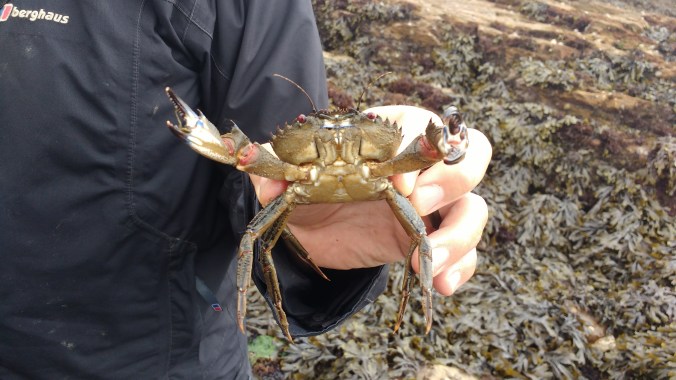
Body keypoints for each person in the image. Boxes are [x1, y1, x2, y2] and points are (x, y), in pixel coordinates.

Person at [0, 0, 490, 378]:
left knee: (417, 236)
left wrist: (314, 250)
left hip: (157, 360)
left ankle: (415, 304)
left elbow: (251, 177)